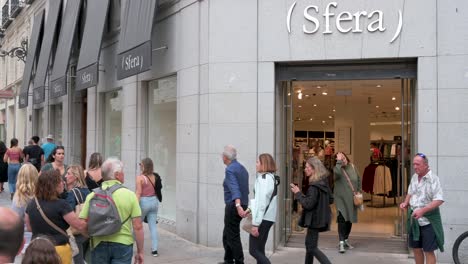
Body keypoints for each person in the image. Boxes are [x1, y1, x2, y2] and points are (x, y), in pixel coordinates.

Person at [79, 157, 144, 264]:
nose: (124, 174)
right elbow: (138, 226)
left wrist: (92, 235)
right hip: (123, 245)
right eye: (122, 172)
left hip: (98, 243)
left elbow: (81, 224)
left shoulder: (92, 195)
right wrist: (140, 252)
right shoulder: (130, 195)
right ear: (117, 175)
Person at [25, 170, 87, 264]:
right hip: (58, 249)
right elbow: (78, 225)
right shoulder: (61, 205)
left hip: (36, 250)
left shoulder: (32, 203)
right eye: (60, 181)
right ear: (53, 185)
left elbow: (29, 228)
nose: (63, 183)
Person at [400, 153, 444, 264]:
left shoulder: (433, 179)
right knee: (416, 249)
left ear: (425, 165)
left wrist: (422, 211)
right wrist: (405, 203)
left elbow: (439, 200)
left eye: (417, 164)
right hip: (415, 221)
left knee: (428, 251)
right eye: (414, 164)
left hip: (428, 222)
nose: (415, 167)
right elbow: (410, 192)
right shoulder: (414, 177)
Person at [291, 157, 332, 264]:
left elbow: (308, 204)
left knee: (311, 247)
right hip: (319, 218)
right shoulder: (323, 183)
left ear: (314, 169)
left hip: (314, 219)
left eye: (307, 167)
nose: (305, 169)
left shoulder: (314, 187)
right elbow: (330, 199)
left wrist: (298, 193)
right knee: (310, 247)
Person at [220, 145, 249, 264]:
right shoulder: (242, 168)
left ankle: (239, 261)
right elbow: (245, 189)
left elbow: (235, 189)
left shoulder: (230, 169)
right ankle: (228, 260)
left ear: (226, 157)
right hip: (242, 204)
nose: (221, 156)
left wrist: (238, 206)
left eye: (222, 155)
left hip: (234, 206)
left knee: (232, 235)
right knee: (227, 234)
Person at [248, 153, 277, 264]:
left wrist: (255, 224)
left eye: (257, 162)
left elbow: (262, 203)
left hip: (262, 219)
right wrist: (250, 209)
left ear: (263, 164)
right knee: (259, 249)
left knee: (253, 250)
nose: (256, 164)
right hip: (267, 218)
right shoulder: (270, 178)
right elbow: (259, 200)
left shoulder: (264, 179)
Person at [333, 152, 361, 253]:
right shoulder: (337, 169)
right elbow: (337, 173)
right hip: (340, 199)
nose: (343, 160)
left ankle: (345, 240)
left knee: (349, 219)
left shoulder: (352, 167)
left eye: (344, 158)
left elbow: (358, 179)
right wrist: (339, 162)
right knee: (342, 219)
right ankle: (341, 243)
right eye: (340, 159)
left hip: (351, 198)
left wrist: (358, 191)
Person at [136, 158, 162, 257]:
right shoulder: (155, 176)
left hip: (143, 202)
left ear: (144, 166)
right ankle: (155, 250)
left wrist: (134, 205)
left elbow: (138, 193)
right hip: (154, 202)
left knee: (137, 225)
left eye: (140, 165)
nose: (140, 166)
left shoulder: (140, 178)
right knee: (153, 227)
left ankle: (130, 243)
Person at [65, 165, 91, 264]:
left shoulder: (71, 194)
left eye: (68, 174)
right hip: (87, 231)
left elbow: (68, 214)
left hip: (76, 233)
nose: (66, 176)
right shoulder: (87, 191)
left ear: (75, 176)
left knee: (78, 260)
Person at [11, 164, 39, 254]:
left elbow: (15, 220)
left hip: (24, 237)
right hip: (41, 235)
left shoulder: (19, 198)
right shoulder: (41, 194)